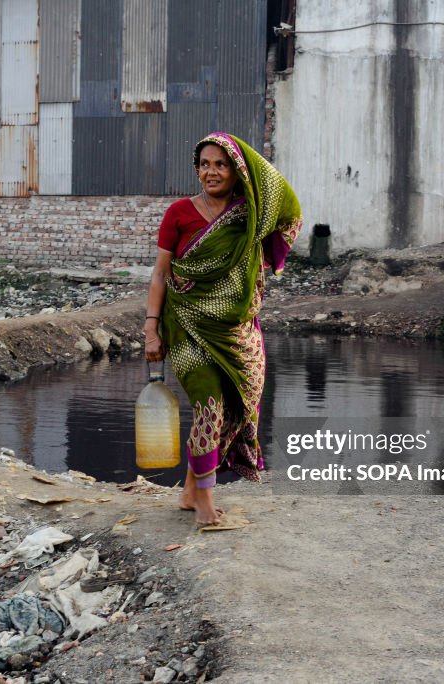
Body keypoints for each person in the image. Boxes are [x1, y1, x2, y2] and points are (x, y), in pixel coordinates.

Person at [143, 132, 303, 525]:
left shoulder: (248, 216)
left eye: (222, 163)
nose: (211, 172)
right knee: (209, 406)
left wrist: (250, 161)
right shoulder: (178, 213)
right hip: (186, 327)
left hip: (236, 331)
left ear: (237, 171)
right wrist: (150, 327)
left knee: (233, 405)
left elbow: (290, 209)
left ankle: (188, 491)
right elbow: (161, 274)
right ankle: (205, 502)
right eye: (204, 164)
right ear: (195, 170)